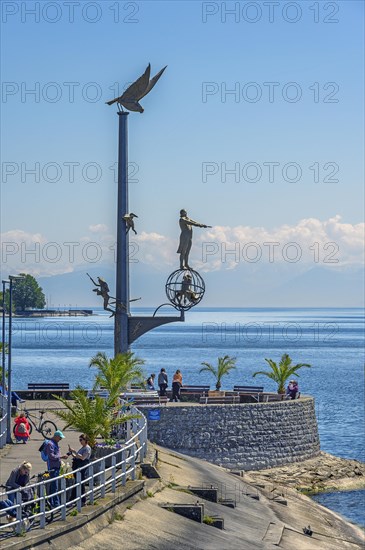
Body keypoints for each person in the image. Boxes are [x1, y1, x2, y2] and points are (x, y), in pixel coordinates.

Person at [44, 430, 68, 508]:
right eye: (60, 438)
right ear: (56, 436)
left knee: (53, 486)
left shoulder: (55, 443)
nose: (60, 439)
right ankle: (56, 503)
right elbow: (51, 456)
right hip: (53, 467)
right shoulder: (50, 444)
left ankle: (51, 502)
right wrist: (61, 457)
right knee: (55, 486)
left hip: (56, 466)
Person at [68, 434, 92, 505]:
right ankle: (74, 500)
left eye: (81, 440)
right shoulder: (83, 448)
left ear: (85, 440)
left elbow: (83, 457)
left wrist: (75, 451)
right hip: (78, 466)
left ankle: (80, 500)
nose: (80, 441)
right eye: (79, 440)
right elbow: (78, 456)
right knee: (78, 483)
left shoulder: (87, 448)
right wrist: (72, 453)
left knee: (80, 483)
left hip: (82, 467)